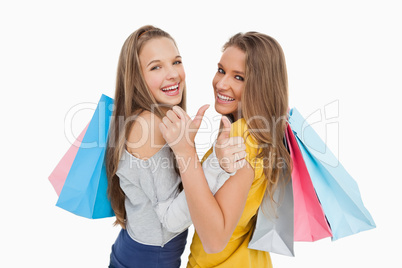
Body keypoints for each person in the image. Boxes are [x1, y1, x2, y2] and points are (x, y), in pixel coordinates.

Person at [105, 25, 246, 268]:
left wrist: (186, 147)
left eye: (176, 62)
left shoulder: (151, 117)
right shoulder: (149, 124)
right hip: (149, 260)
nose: (173, 74)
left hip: (135, 251)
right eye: (156, 67)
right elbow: (171, 220)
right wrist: (212, 162)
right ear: (135, 76)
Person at [159, 31, 292, 267]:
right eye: (221, 70)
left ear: (261, 86)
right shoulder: (262, 131)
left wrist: (185, 151)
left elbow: (214, 239)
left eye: (238, 77)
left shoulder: (241, 139)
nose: (221, 83)